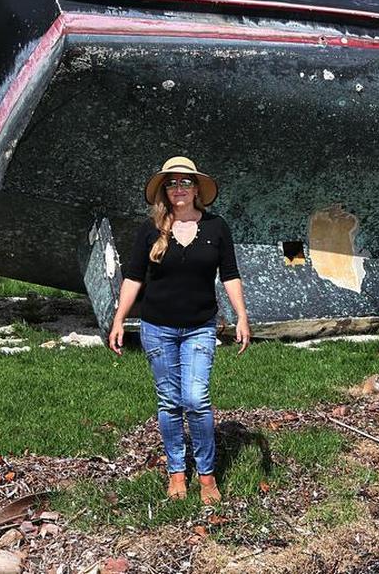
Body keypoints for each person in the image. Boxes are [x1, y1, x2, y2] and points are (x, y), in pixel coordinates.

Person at [108, 156, 250, 505]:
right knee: (170, 402)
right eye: (171, 183)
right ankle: (175, 472)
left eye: (185, 182)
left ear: (197, 188)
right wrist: (118, 319)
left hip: (200, 327)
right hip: (157, 328)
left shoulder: (217, 227)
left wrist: (242, 316)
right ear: (164, 190)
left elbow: (229, 274)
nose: (179, 188)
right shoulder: (150, 229)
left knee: (197, 400)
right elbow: (133, 278)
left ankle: (206, 475)